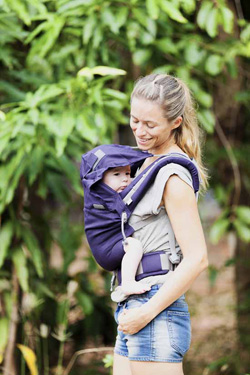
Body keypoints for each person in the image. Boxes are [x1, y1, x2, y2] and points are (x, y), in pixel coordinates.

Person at [112, 73, 209, 375]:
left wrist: (146, 312)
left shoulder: (173, 175)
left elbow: (197, 259)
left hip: (154, 307)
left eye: (150, 124)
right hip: (135, 302)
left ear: (176, 122)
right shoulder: (146, 163)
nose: (139, 131)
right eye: (135, 120)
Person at [102, 165, 152, 296]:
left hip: (112, 247)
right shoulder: (103, 196)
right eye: (117, 174)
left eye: (128, 174)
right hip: (106, 248)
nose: (125, 179)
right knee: (133, 245)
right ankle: (128, 282)